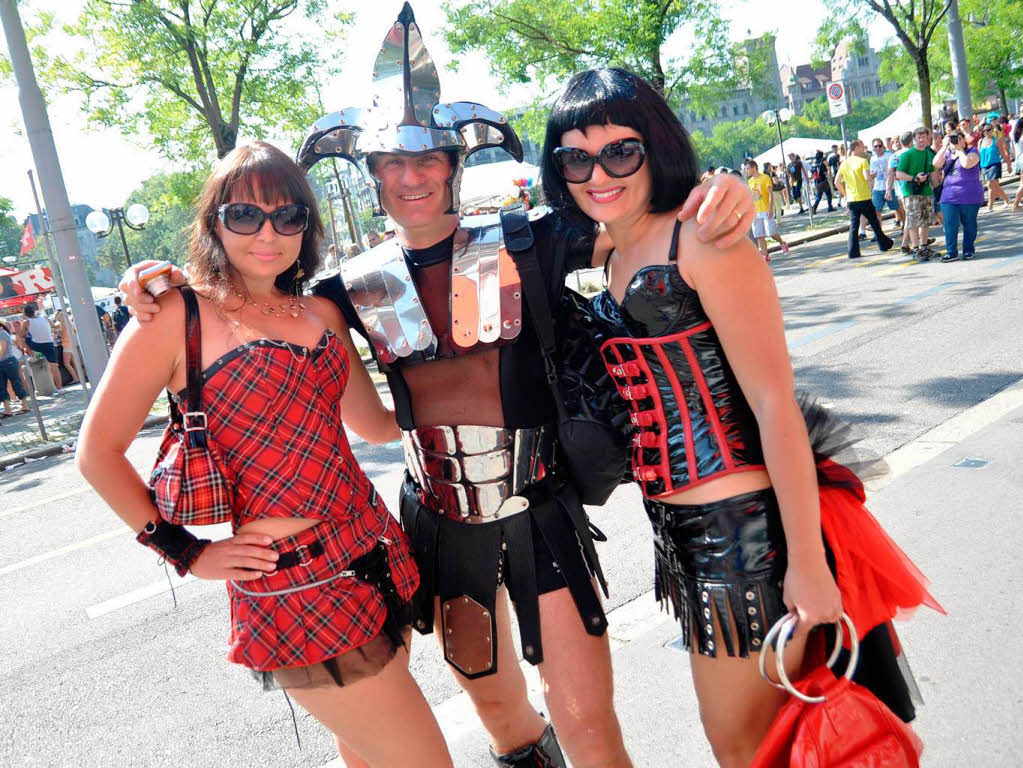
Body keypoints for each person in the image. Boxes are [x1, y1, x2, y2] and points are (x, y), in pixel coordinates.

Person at [118, 8, 757, 767]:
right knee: (501, 715)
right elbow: (249, 297)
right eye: (391, 162)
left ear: (455, 165)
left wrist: (717, 190)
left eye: (428, 161)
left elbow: (639, 218)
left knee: (587, 716)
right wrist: (154, 281)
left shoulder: (531, 239)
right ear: (371, 172)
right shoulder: (341, 291)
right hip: (441, 526)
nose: (411, 176)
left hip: (540, 511)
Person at [544, 67, 939, 768]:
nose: (597, 172)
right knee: (762, 744)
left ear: (655, 147)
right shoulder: (614, 244)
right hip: (681, 539)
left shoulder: (702, 238)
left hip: (742, 539)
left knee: (745, 744)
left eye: (620, 151)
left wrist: (809, 566)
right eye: (576, 155)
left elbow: (772, 402)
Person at [78, 141, 454, 768]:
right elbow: (96, 454)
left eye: (288, 216)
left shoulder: (322, 310)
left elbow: (379, 426)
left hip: (377, 551)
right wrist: (185, 551)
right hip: (296, 585)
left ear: (306, 227)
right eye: (245, 216)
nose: (268, 234)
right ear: (214, 223)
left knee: (365, 754)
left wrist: (477, 379)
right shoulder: (175, 314)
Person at [835, 139, 894, 259]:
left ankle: (853, 252)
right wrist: (874, 175)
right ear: (856, 147)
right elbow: (867, 178)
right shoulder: (863, 161)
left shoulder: (844, 163)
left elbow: (837, 181)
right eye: (862, 146)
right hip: (864, 197)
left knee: (854, 226)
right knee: (874, 223)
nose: (863, 149)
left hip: (851, 198)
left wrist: (845, 194)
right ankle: (883, 244)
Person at [934, 131, 983, 261]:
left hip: (969, 195)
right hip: (948, 195)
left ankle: (968, 249)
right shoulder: (947, 153)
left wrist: (960, 150)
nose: (956, 141)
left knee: (969, 223)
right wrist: (944, 147)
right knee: (950, 223)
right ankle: (951, 251)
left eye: (959, 139)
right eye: (953, 139)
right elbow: (936, 164)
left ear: (964, 140)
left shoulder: (973, 151)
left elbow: (966, 164)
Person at [896, 127, 937, 261]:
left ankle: (924, 247)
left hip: (926, 191)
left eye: (923, 137)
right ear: (914, 139)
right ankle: (915, 249)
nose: (921, 140)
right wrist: (914, 178)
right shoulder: (907, 154)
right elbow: (898, 174)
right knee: (913, 221)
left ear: (927, 138)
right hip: (912, 192)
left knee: (926, 221)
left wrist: (937, 188)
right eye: (918, 138)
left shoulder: (928, 153)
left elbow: (932, 172)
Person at [745, 159, 789, 261]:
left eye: (748, 168)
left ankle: (782, 243)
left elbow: (770, 194)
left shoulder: (765, 178)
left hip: (766, 209)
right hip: (756, 211)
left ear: (754, 168)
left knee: (771, 233)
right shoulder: (750, 181)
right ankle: (765, 256)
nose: (747, 171)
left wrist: (770, 208)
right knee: (759, 235)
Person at [20, 302, 61, 391]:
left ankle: (31, 353)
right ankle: (60, 388)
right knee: (54, 367)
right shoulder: (45, 317)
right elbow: (54, 326)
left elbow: (21, 334)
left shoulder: (26, 322)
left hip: (36, 345)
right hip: (49, 343)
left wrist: (27, 332)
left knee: (24, 338)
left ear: (25, 314)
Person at [0, 319, 30, 417]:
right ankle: (8, 410)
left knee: (15, 383)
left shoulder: (2, 333)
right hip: (5, 362)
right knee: (2, 387)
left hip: (8, 361)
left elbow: (2, 350)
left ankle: (25, 406)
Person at [978, 123, 1012, 210]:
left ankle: (990, 206)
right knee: (994, 185)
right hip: (984, 166)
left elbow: (1002, 153)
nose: (986, 132)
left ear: (992, 130)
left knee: (990, 184)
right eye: (984, 130)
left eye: (988, 130)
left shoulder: (996, 140)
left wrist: (1008, 165)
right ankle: (1007, 199)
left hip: (994, 164)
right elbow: (978, 155)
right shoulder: (981, 142)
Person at [54, 310, 79, 384]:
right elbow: (73, 332)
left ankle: (75, 378)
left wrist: (57, 332)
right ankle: (78, 377)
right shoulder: (68, 322)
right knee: (73, 362)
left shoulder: (63, 324)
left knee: (66, 363)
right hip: (71, 344)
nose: (56, 318)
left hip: (66, 345)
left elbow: (63, 335)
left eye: (56, 316)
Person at [1012, 117, 1023, 211]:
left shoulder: (1016, 136)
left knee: (1022, 183)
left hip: (1020, 161)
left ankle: (1017, 203)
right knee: (1022, 185)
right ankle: (1015, 204)